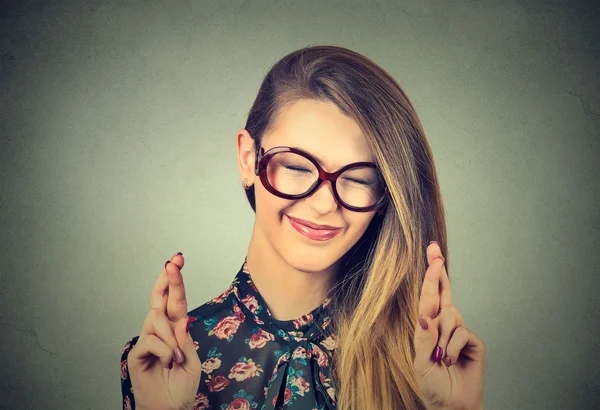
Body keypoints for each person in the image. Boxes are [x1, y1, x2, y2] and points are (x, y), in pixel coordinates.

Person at [119, 45, 486, 410]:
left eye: (358, 179)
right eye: (296, 167)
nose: (325, 204)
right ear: (249, 159)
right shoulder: (162, 364)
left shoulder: (423, 366)